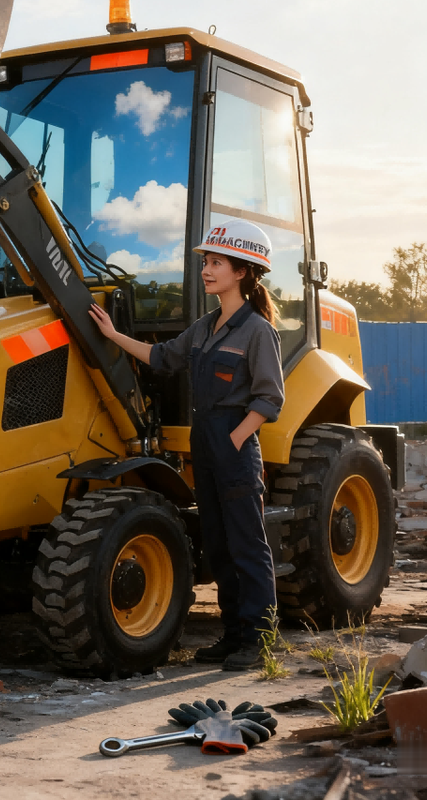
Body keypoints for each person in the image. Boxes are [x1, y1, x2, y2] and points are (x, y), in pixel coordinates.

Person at [89, 218, 284, 670]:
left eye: (216, 263)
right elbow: (161, 357)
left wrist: (235, 439)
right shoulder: (205, 327)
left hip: (234, 445)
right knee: (218, 545)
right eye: (206, 262)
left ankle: (259, 641)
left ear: (242, 272)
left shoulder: (258, 331)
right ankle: (233, 635)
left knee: (247, 546)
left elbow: (270, 398)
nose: (206, 270)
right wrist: (113, 336)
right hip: (205, 444)